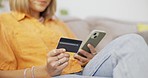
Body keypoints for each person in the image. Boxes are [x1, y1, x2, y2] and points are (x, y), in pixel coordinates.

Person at [0, 0, 148, 78]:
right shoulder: (4, 21)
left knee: (132, 40)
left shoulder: (58, 23)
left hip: (83, 70)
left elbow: (76, 54)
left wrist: (88, 58)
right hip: (50, 76)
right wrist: (44, 71)